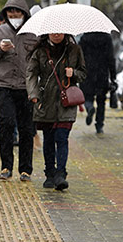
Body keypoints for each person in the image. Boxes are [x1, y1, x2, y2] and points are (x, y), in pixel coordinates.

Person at [26, 33, 87, 190]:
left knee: (61, 137)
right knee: (49, 138)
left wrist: (73, 73)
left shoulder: (74, 50)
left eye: (59, 30)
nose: (56, 34)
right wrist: (34, 95)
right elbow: (31, 73)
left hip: (66, 101)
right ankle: (49, 173)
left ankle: (61, 173)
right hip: (46, 100)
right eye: (53, 31)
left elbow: (83, 73)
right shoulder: (40, 51)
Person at [0, 0, 36, 182]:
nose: (14, 15)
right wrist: (0, 48)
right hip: (5, 85)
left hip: (25, 86)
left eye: (17, 12)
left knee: (26, 128)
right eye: (10, 11)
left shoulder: (33, 33)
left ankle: (25, 169)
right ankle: (6, 166)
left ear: (24, 13)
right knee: (6, 125)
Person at [79, 31, 116, 134]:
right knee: (101, 100)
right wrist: (113, 76)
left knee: (87, 96)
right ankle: (99, 125)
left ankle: (90, 107)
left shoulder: (85, 38)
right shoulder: (107, 38)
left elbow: (79, 56)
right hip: (102, 73)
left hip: (88, 72)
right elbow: (111, 58)